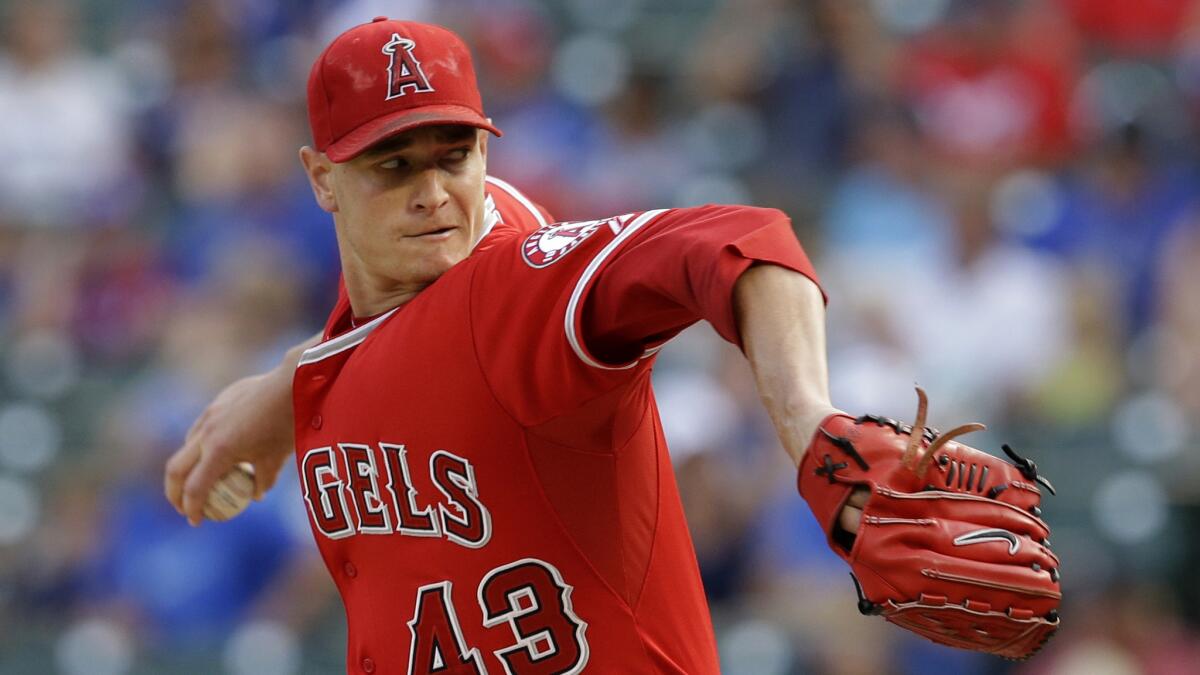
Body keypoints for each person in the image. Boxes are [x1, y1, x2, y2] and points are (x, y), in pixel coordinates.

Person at [164, 17, 1059, 673]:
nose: (433, 193)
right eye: (393, 165)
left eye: (454, 155)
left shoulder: (513, 289)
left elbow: (745, 243)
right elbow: (382, 334)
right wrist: (283, 389)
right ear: (321, 178)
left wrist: (807, 421)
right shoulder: (388, 299)